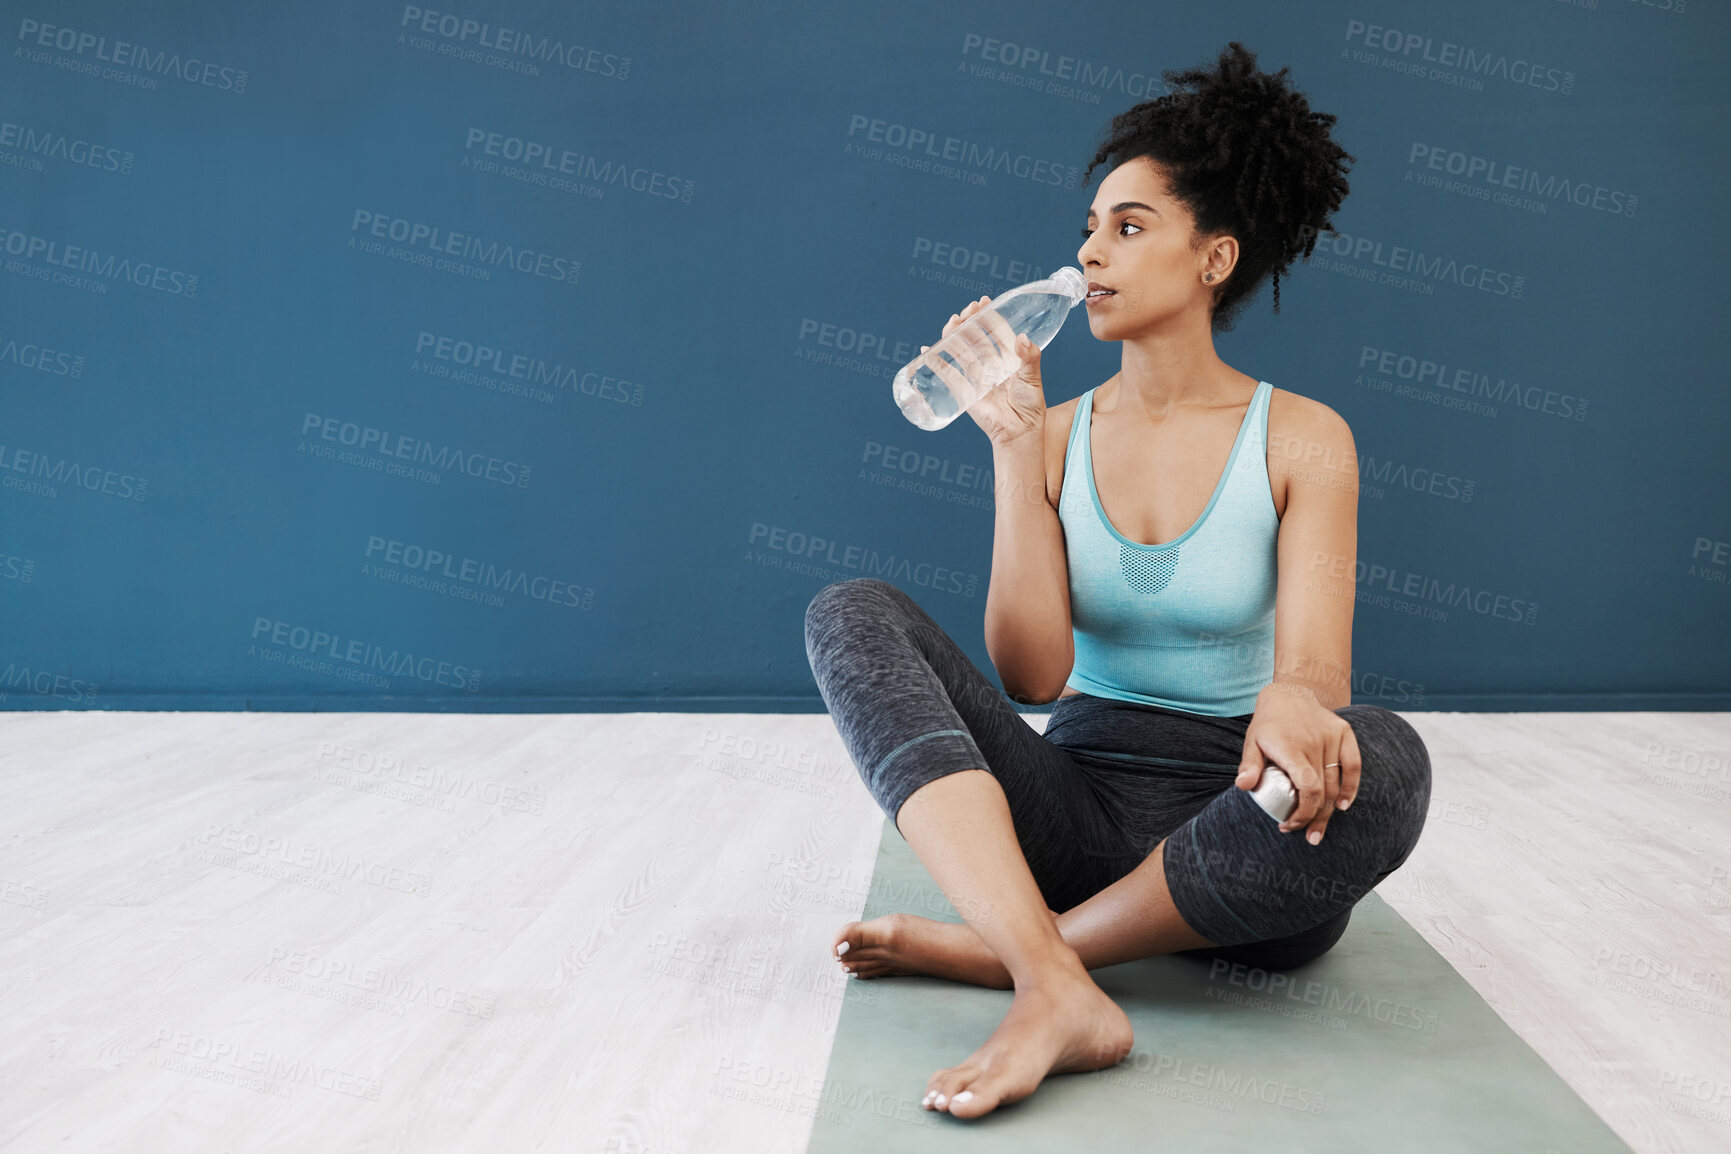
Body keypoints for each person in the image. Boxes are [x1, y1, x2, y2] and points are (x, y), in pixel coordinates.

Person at [803, 41, 1432, 1122]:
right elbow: (1032, 672)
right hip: (1073, 813)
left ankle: (1009, 953)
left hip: (1240, 829)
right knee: (848, 610)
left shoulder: (1306, 437)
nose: (1091, 253)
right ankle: (1056, 982)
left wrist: (1294, 696)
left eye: (1129, 227)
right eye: (1090, 226)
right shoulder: (1048, 433)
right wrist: (1011, 456)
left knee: (1393, 757)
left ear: (1214, 258)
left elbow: (1317, 668)